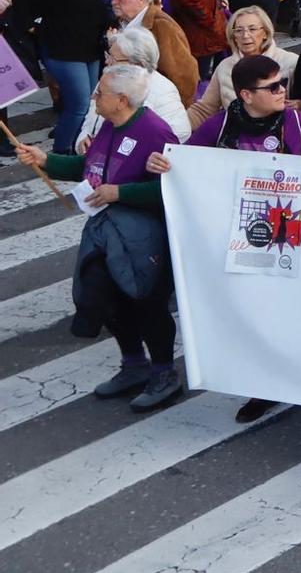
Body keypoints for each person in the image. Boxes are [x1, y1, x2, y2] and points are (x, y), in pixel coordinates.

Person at [15, 66, 183, 410]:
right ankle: (134, 365)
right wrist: (46, 160)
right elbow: (89, 166)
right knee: (105, 298)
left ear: (121, 100)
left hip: (147, 239)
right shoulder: (109, 124)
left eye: (100, 92)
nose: (94, 97)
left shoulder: (154, 132)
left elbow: (172, 188)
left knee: (147, 305)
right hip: (107, 232)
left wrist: (121, 193)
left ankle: (164, 373)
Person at [9, 0, 113, 153]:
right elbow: (20, 2)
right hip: (63, 52)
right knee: (79, 106)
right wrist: (35, 29)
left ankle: (78, 146)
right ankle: (61, 152)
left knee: (90, 103)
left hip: (90, 50)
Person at [188, 5, 297, 125]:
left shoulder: (290, 62)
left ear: (265, 33)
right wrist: (178, 124)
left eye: (252, 29)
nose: (245, 35)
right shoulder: (225, 67)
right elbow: (205, 110)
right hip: (236, 134)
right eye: (239, 30)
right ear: (234, 37)